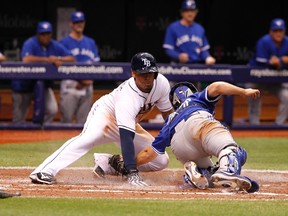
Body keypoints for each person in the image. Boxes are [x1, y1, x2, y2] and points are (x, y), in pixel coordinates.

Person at [29, 52, 174, 186]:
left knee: (160, 160)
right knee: (90, 137)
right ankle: (44, 171)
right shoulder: (128, 96)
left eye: (151, 73)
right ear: (133, 73)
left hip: (129, 122)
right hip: (106, 115)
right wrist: (132, 172)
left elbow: (168, 114)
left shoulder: (161, 83)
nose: (148, 78)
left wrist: (175, 139)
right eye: (143, 74)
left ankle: (110, 163)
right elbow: (126, 137)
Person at [134, 81, 260, 193]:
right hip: (198, 122)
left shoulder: (170, 120)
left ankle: (197, 173)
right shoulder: (195, 98)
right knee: (235, 151)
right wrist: (243, 91)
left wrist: (130, 164)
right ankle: (228, 170)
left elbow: (148, 153)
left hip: (179, 147)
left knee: (211, 174)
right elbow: (217, 86)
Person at [11, 21, 75, 124]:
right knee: (19, 119)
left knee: (52, 109)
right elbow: (26, 59)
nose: (45, 36)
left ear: (51, 34)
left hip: (43, 85)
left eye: (47, 34)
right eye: (42, 34)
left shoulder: (54, 45)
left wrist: (58, 58)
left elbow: (72, 58)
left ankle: (39, 135)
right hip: (23, 86)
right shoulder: (30, 43)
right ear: (38, 34)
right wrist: (47, 60)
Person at [59, 11, 100, 124]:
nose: (79, 24)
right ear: (71, 24)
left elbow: (96, 64)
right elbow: (60, 66)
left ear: (84, 23)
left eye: (81, 21)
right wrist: (81, 80)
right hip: (70, 86)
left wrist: (88, 80)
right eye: (76, 22)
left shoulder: (90, 42)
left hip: (87, 86)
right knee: (66, 122)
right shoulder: (64, 43)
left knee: (84, 124)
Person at [247, 18, 288, 125]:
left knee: (286, 96)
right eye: (276, 31)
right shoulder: (264, 41)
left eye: (281, 31)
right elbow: (262, 63)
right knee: (254, 96)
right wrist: (280, 61)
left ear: (284, 32)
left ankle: (279, 126)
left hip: (275, 81)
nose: (278, 33)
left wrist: (279, 61)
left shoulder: (287, 42)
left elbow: (278, 62)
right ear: (271, 31)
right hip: (257, 78)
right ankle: (254, 126)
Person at [163, 0, 216, 66]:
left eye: (192, 11)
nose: (190, 13)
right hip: (177, 66)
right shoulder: (173, 27)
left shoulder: (200, 29)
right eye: (187, 11)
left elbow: (203, 50)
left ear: (196, 12)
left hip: (195, 66)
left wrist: (207, 57)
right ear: (182, 13)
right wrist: (178, 56)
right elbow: (168, 49)